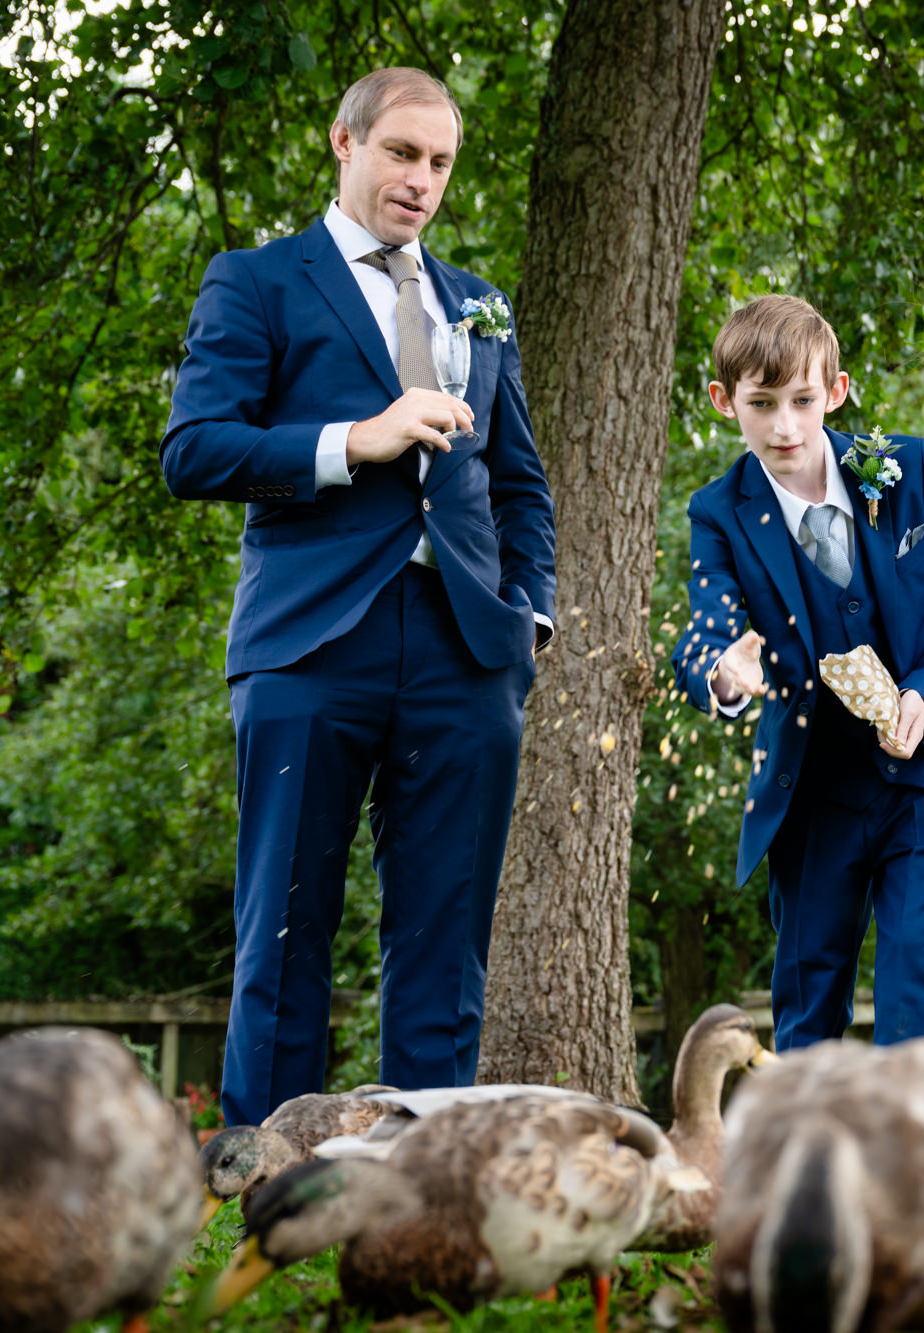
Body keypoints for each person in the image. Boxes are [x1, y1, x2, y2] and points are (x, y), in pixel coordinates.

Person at [161, 68, 555, 1125]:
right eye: (401, 153)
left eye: (439, 163)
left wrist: (532, 614)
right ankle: (266, 1179)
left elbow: (519, 481)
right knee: (284, 923)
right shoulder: (256, 282)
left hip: (469, 651)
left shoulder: (477, 304)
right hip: (307, 644)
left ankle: (418, 1185)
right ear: (344, 142)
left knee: (444, 933)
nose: (420, 180)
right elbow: (193, 450)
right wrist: (355, 441)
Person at [671, 296, 924, 1051]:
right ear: (726, 401)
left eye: (802, 401)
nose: (785, 427)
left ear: (838, 390)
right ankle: (807, 1165)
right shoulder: (719, 512)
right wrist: (725, 669)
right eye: (762, 404)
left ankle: (916, 1162)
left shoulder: (910, 471)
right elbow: (702, 634)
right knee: (808, 997)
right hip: (812, 791)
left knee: (914, 975)